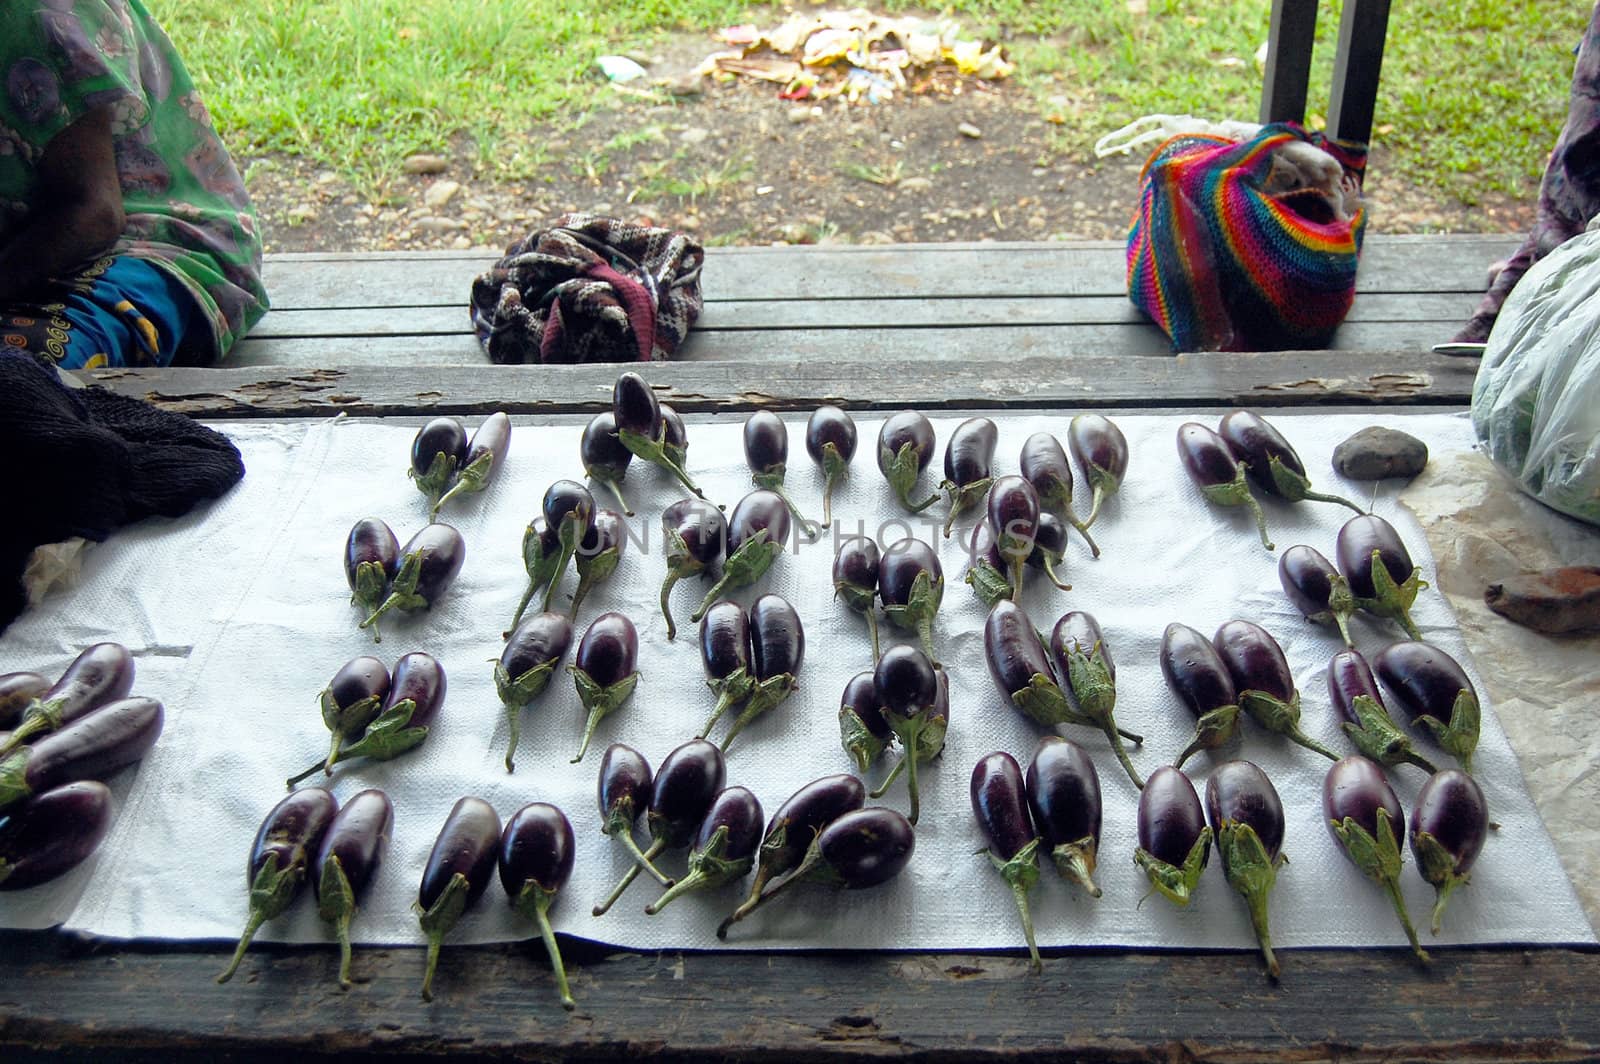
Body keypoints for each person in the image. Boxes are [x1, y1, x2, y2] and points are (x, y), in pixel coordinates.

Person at [0, 0, 267, 369]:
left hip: (147, 245)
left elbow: (94, 214)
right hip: (27, 247)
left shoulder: (28, 17)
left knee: (25, 374)